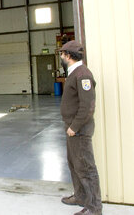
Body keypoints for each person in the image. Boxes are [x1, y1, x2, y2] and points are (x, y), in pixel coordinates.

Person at [59, 40, 102, 215]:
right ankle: (80, 196)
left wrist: (75, 127)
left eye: (62, 54)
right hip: (72, 130)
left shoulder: (82, 75)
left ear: (68, 56)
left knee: (85, 168)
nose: (61, 57)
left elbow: (88, 106)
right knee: (74, 164)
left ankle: (94, 208)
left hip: (79, 131)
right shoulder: (74, 73)